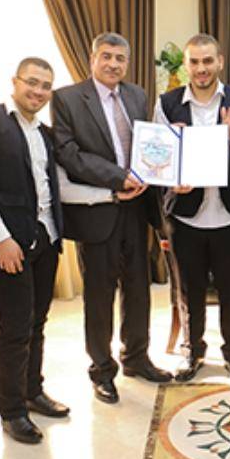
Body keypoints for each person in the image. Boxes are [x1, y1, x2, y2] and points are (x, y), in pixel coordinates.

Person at [52, 32, 171, 405]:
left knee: (138, 288)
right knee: (99, 296)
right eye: (106, 56)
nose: (113, 64)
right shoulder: (68, 98)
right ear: (92, 59)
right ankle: (102, 370)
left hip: (137, 209)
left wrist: (171, 144)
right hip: (98, 210)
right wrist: (118, 178)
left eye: (120, 58)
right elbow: (68, 154)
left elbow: (148, 145)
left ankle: (136, 358)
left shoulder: (136, 95)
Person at [0, 57, 69, 444]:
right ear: (15, 81)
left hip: (45, 238)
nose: (38, 91)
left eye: (45, 86)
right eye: (32, 82)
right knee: (14, 328)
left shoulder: (44, 133)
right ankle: (11, 411)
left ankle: (32, 390)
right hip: (7, 245)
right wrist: (1, 240)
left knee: (37, 321)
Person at [154, 34, 230, 384]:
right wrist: (173, 179)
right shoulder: (167, 103)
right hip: (186, 216)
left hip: (229, 213)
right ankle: (193, 352)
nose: (201, 69)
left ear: (220, 61)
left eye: (208, 61)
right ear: (186, 65)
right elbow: (157, 158)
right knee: (189, 291)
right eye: (195, 62)